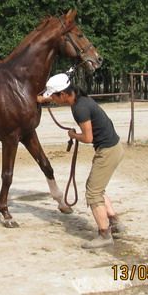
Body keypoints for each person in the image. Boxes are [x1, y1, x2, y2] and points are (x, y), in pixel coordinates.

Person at [37, 73, 125, 248]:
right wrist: (40, 99)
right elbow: (49, 96)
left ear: (63, 94)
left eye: (54, 97)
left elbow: (88, 137)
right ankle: (115, 222)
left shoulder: (80, 109)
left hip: (107, 151)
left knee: (93, 193)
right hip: (113, 148)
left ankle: (104, 234)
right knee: (96, 188)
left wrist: (73, 135)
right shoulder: (79, 99)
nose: (53, 100)